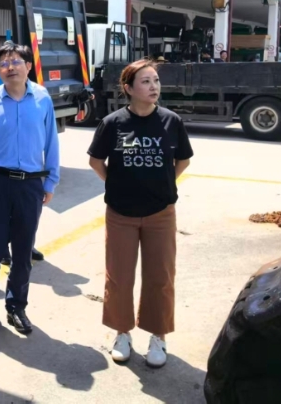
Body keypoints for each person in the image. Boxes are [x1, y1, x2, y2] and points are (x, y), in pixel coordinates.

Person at [87, 58, 193, 369]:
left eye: (155, 81)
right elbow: (96, 161)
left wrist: (163, 184)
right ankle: (122, 333)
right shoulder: (113, 123)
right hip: (121, 213)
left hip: (161, 213)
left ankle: (158, 335)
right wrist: (117, 184)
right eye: (145, 82)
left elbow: (183, 160)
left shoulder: (171, 121)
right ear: (129, 88)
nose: (153, 87)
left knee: (161, 276)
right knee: (119, 277)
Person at [0, 42, 60, 336]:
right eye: (4, 63)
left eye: (16, 61)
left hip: (30, 185)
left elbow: (51, 142)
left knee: (22, 251)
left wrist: (51, 181)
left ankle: (16, 306)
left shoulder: (42, 99)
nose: (10, 67)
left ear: (28, 66)